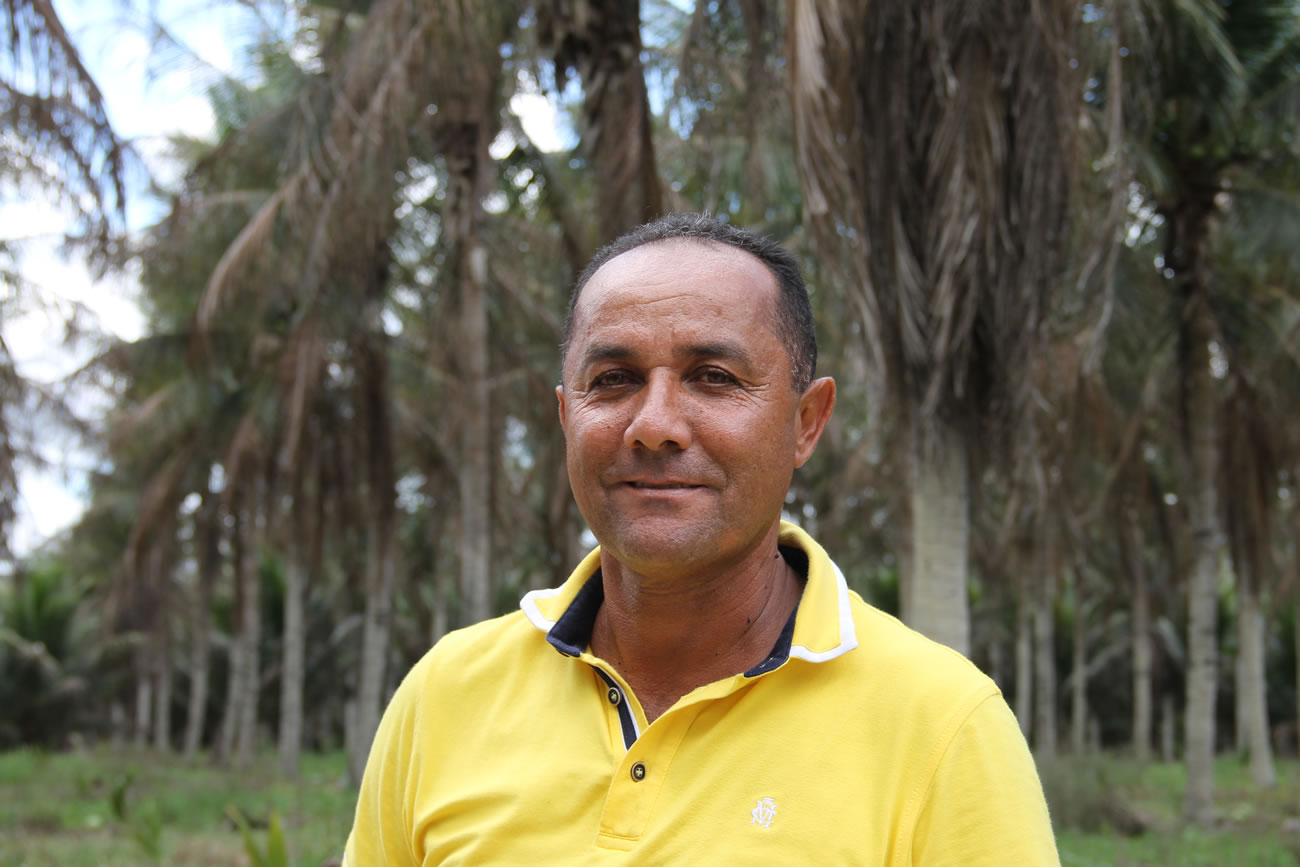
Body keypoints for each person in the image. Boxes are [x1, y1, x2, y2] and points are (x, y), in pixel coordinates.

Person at [344, 213, 1059, 865]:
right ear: (566, 418)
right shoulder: (446, 694)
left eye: (713, 378)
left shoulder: (941, 727)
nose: (654, 425)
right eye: (613, 379)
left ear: (806, 422)